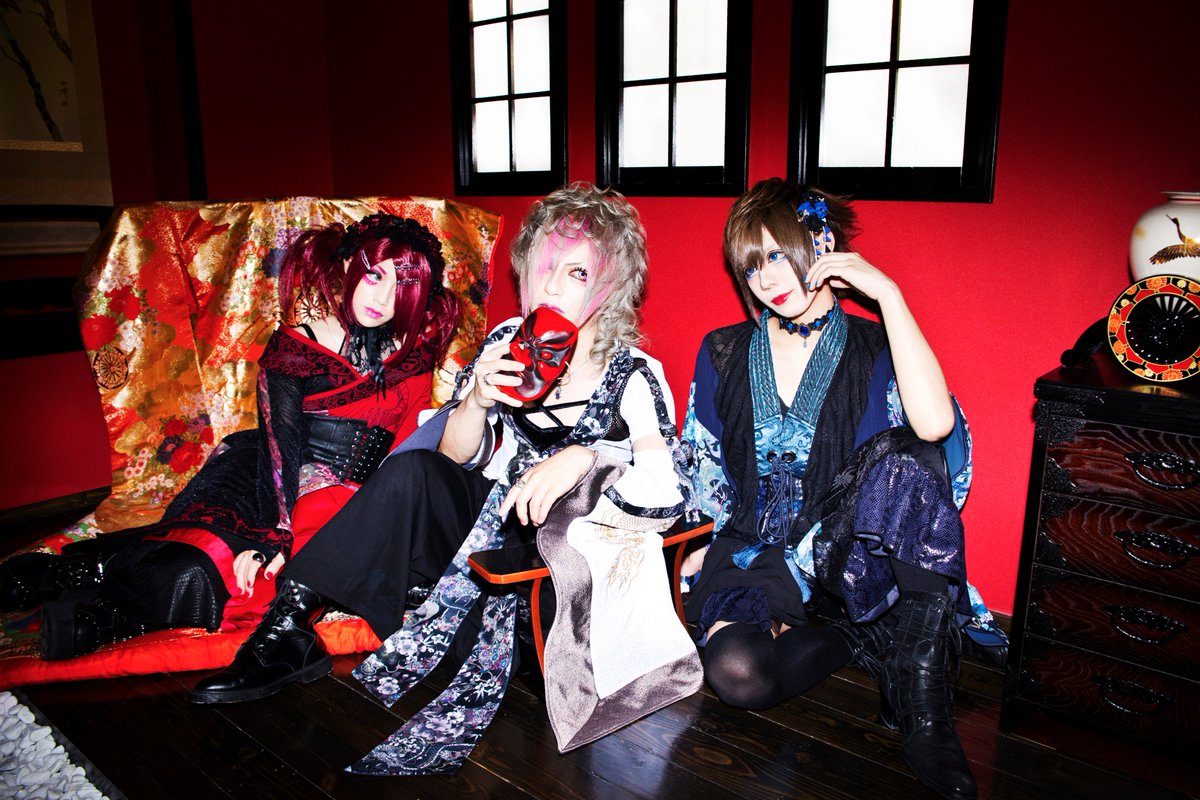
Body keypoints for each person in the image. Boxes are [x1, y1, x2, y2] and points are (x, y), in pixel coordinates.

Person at [189, 182, 700, 776]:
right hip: (485, 537)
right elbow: (456, 456)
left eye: (578, 272)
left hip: (562, 570)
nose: (552, 286)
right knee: (415, 469)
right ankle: (287, 629)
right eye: (544, 266)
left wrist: (589, 460)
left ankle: (439, 615)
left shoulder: (633, 373)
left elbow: (668, 493)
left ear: (611, 285)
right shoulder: (508, 341)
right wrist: (477, 400)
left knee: (495, 648)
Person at [0, 213, 458, 661]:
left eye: (404, 289)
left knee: (270, 588)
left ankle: (108, 612)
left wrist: (377, 521)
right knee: (203, 563)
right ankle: (76, 576)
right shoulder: (296, 346)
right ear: (347, 265)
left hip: (355, 499)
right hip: (267, 479)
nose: (384, 299)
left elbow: (405, 453)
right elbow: (282, 451)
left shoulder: (415, 357)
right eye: (376, 276)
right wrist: (276, 539)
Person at [682, 178, 979, 800]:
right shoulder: (724, 351)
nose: (766, 278)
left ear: (822, 244)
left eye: (778, 253)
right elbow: (703, 459)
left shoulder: (877, 344)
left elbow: (935, 427)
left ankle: (924, 709)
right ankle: (858, 637)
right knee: (737, 675)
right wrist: (701, 539)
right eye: (752, 265)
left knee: (910, 453)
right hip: (754, 548)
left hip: (845, 551)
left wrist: (889, 295)